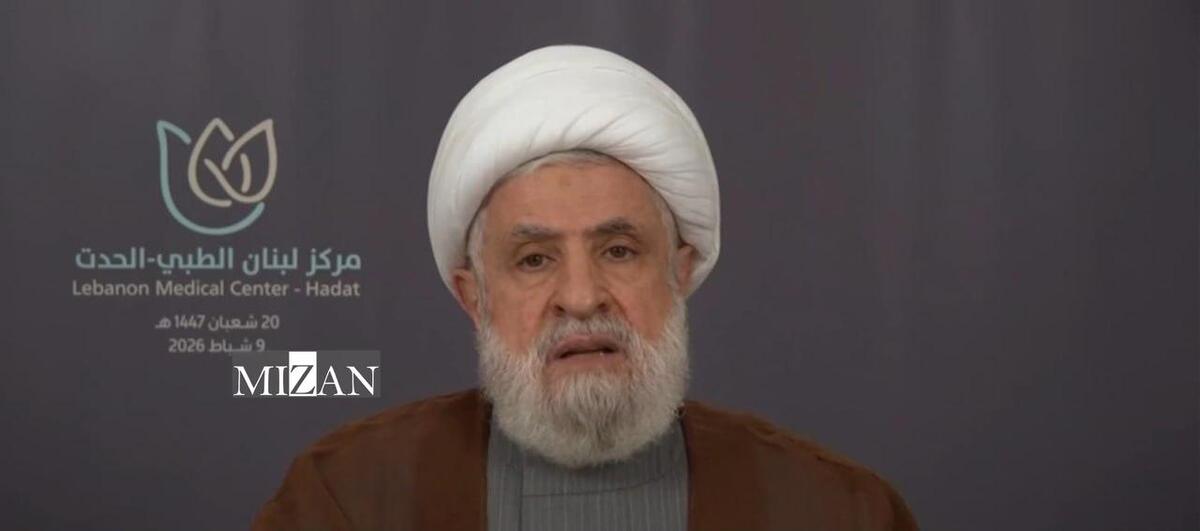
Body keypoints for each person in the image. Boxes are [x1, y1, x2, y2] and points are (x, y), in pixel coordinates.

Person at [252, 44, 917, 531]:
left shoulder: (836, 510)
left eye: (619, 250)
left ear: (679, 271)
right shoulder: (346, 499)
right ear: (473, 296)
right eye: (534, 260)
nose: (580, 296)